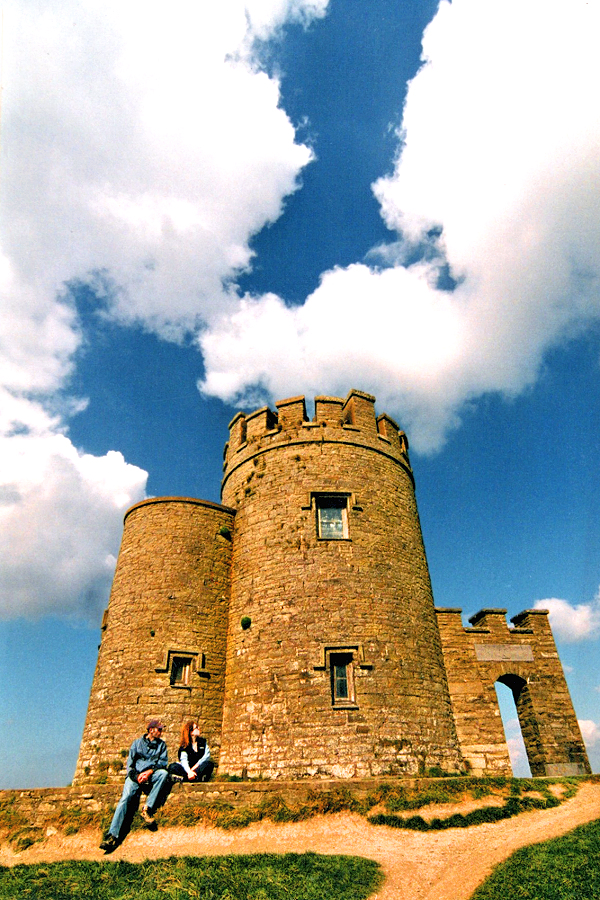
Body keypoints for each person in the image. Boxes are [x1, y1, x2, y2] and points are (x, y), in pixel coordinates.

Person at [100, 718, 180, 853]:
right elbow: (130, 766)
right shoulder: (137, 744)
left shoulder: (162, 745)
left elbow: (162, 763)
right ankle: (112, 836)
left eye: (161, 730)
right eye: (159, 730)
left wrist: (149, 772)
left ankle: (147, 809)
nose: (161, 732)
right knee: (125, 799)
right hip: (135, 776)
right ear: (151, 730)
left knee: (163, 774)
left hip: (151, 774)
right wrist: (137, 776)